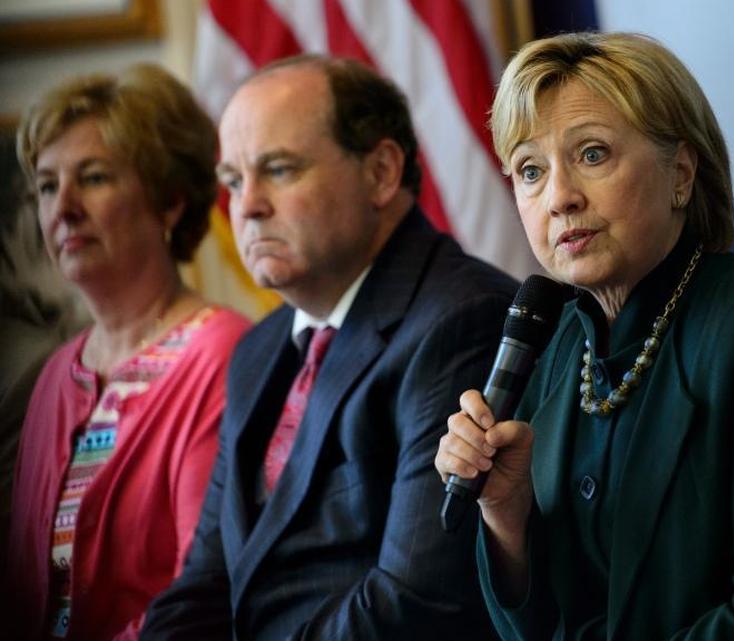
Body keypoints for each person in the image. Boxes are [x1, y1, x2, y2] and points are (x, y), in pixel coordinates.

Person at [434, 32, 734, 641]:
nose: (560, 198)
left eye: (592, 154)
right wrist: (506, 512)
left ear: (680, 174)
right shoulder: (554, 350)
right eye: (530, 170)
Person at [140, 55, 513, 641]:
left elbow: (415, 604)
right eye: (234, 181)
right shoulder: (259, 349)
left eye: (279, 170)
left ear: (381, 173)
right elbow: (206, 584)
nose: (246, 206)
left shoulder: (462, 320)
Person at [2, 64, 251, 640]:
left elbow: (208, 592)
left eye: (91, 178)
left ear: (167, 202)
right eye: (46, 186)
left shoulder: (223, 354)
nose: (62, 208)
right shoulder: (55, 375)